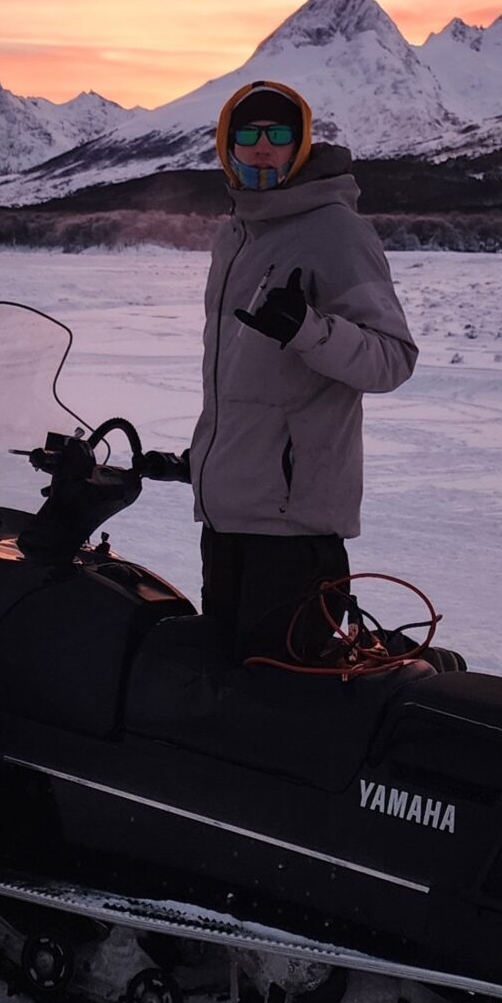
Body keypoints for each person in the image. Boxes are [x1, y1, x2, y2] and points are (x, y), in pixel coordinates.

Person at [187, 79, 418, 665]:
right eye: (248, 134)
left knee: (280, 700)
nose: (263, 147)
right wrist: (201, 459)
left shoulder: (335, 230)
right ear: (227, 146)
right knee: (221, 688)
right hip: (228, 518)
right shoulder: (235, 233)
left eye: (279, 134)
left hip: (293, 530)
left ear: (301, 144)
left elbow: (392, 358)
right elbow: (241, 382)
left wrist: (309, 330)